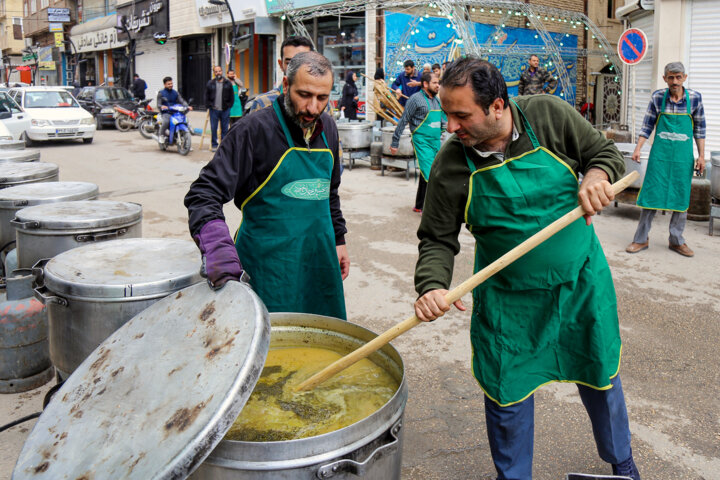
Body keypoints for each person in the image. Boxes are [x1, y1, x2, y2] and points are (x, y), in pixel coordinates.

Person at [412, 57, 640, 480]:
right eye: (446, 114)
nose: (450, 126)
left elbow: (604, 154)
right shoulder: (451, 164)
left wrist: (594, 175)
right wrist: (430, 285)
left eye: (461, 115)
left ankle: (622, 464)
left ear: (497, 106)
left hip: (579, 287)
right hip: (508, 300)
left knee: (600, 376)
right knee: (506, 393)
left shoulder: (547, 116)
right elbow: (437, 238)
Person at [184, 51, 349, 319]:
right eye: (304, 95)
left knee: (319, 344)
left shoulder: (328, 126)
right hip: (268, 268)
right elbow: (203, 194)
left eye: (322, 98)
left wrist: (339, 240)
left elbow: (329, 191)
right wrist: (218, 249)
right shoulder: (253, 131)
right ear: (285, 86)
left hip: (318, 263)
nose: (313, 108)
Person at [626, 61, 706, 257]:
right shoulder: (658, 97)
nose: (675, 81)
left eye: (678, 77)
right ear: (665, 79)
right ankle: (641, 239)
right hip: (659, 157)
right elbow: (647, 126)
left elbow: (700, 129)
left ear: (684, 78)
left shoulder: (695, 99)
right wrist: (638, 148)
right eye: (671, 77)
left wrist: (702, 156)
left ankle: (676, 240)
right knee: (651, 194)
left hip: (682, 159)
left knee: (680, 195)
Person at [390, 71, 445, 212]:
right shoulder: (415, 99)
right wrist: (395, 142)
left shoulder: (436, 100)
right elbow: (403, 120)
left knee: (429, 172)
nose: (438, 85)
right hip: (421, 141)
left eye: (438, 83)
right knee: (430, 173)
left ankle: (419, 205)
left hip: (435, 141)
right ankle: (430, 208)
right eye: (435, 83)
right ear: (425, 84)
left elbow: (442, 121)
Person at [243, 36, 329, 115]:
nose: (296, 69)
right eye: (290, 63)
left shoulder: (322, 106)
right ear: (281, 64)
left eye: (303, 62)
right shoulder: (263, 103)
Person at [205, 65, 234, 151]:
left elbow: (231, 96)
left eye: (219, 71)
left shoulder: (227, 83)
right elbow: (206, 95)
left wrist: (229, 106)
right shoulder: (210, 83)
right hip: (214, 110)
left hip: (225, 110)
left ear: (222, 71)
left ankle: (223, 146)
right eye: (216, 71)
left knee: (225, 129)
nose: (218, 73)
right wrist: (209, 105)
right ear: (214, 73)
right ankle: (214, 144)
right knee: (214, 128)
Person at [156, 76, 192, 143]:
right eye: (168, 84)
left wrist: (187, 106)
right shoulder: (161, 93)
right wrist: (162, 106)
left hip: (175, 111)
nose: (170, 85)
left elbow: (182, 101)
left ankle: (187, 142)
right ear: (165, 85)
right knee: (166, 121)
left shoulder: (175, 93)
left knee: (185, 121)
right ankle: (161, 135)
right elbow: (158, 104)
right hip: (166, 112)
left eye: (171, 83)